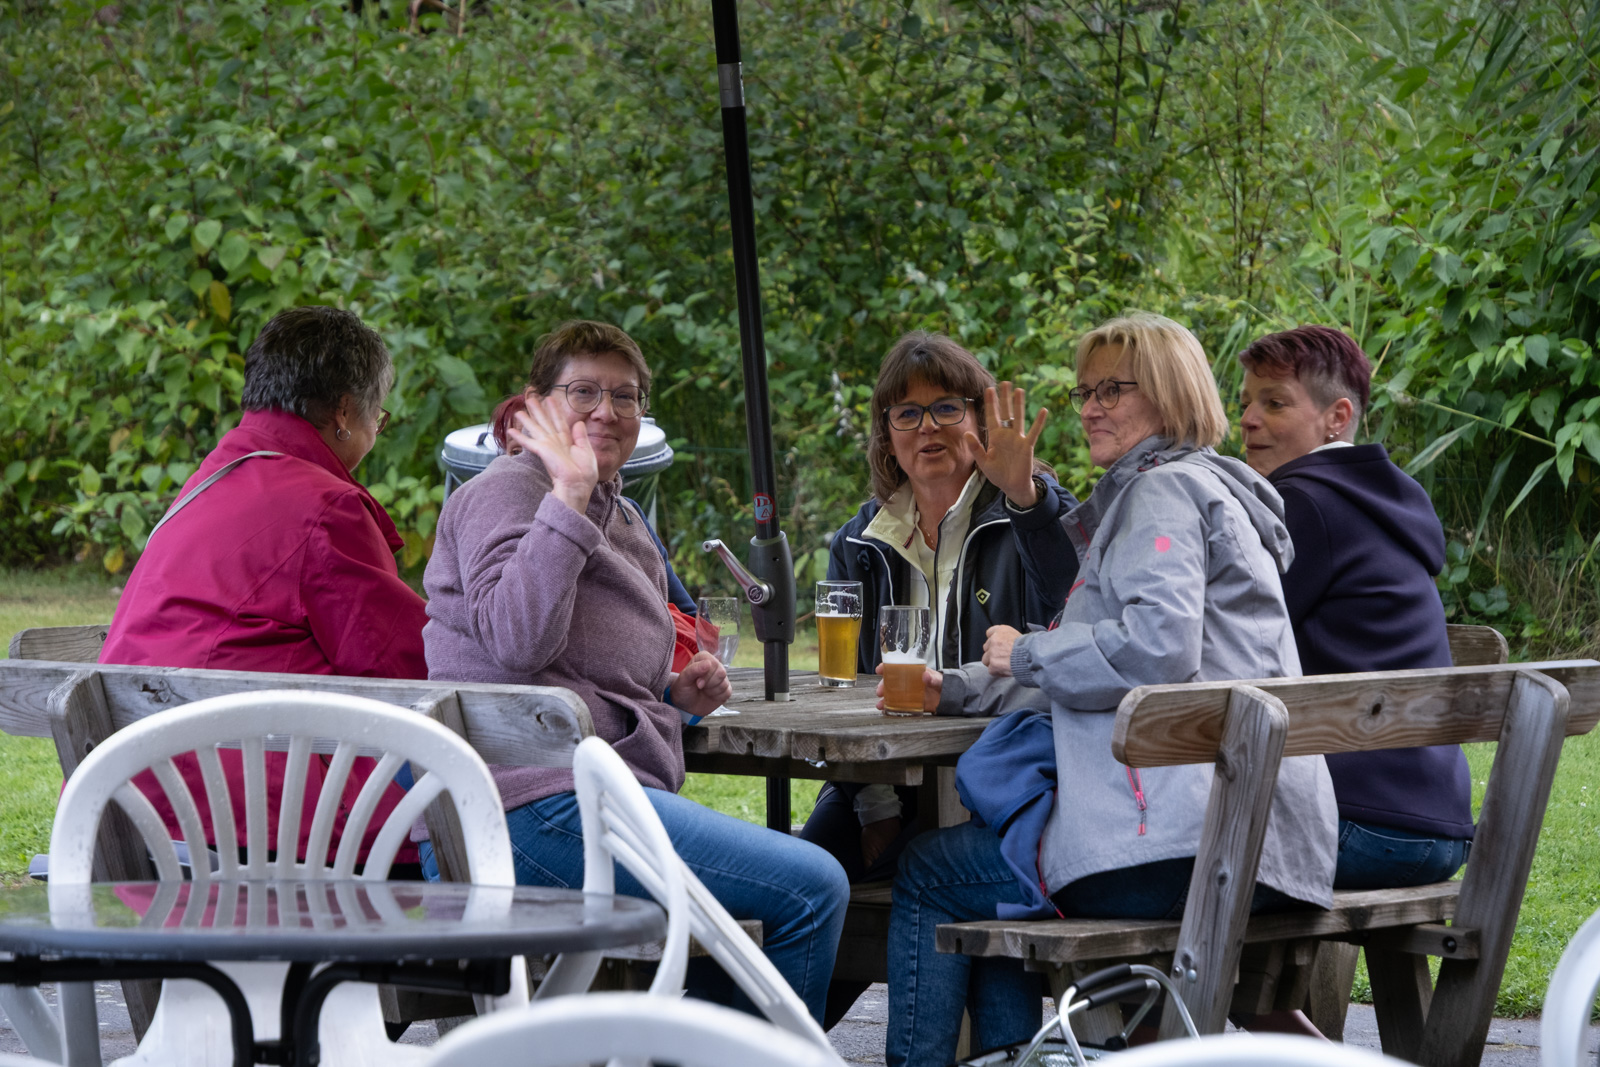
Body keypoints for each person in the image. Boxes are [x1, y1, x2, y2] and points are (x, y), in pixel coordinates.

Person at [884, 313, 1339, 1067]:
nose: (1090, 407)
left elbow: (1153, 651)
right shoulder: (1192, 488)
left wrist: (1026, 650)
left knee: (931, 872)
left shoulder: (1159, 496)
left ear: (1169, 396)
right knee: (999, 856)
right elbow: (1091, 662)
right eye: (1085, 390)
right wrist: (958, 687)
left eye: (1113, 391)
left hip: (1185, 844)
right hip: (1251, 833)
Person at [422, 320, 848, 1024]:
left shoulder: (616, 510)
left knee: (807, 886)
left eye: (626, 396)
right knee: (813, 887)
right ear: (536, 405)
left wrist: (672, 697)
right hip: (522, 814)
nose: (607, 411)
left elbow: (578, 673)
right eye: (583, 390)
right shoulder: (507, 492)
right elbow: (516, 641)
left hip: (586, 800)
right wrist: (567, 494)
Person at [101, 305, 428, 867]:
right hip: (241, 810)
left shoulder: (211, 480)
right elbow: (405, 666)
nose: (378, 429)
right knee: (464, 813)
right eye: (381, 417)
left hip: (127, 790)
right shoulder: (327, 505)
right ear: (347, 412)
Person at [800, 333, 1080, 885]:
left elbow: (1070, 619)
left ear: (980, 419)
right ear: (888, 434)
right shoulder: (858, 542)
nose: (927, 427)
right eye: (907, 413)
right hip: (882, 779)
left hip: (1006, 774)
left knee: (920, 882)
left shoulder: (1035, 512)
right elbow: (853, 685)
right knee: (801, 884)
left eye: (946, 408)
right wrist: (877, 808)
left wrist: (1025, 497)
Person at [1238, 325, 1473, 887]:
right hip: (1434, 822)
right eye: (1245, 401)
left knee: (1141, 853)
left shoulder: (1304, 503)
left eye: (1274, 403)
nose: (1248, 419)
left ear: (1336, 417)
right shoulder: (1383, 496)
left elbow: (1228, 639)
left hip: (1361, 822)